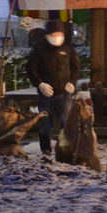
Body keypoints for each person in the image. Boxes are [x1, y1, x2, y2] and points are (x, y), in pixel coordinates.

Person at [27, 20, 80, 158]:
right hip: (46, 96)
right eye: (54, 33)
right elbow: (30, 69)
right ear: (47, 35)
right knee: (45, 123)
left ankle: (68, 150)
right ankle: (46, 151)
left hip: (64, 94)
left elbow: (75, 67)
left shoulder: (68, 48)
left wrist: (72, 82)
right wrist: (40, 84)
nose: (57, 36)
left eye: (59, 33)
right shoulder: (38, 50)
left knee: (67, 123)